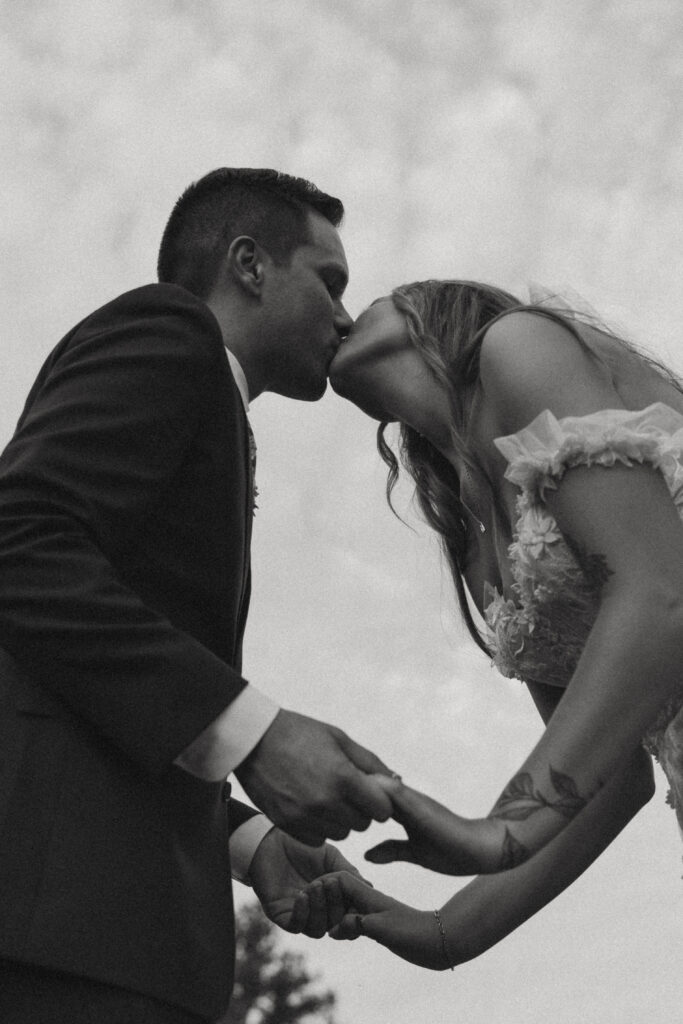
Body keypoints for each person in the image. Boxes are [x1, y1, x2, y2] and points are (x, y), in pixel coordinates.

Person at [0, 167, 395, 1022]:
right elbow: (18, 543)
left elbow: (100, 684)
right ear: (249, 264)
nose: (342, 314)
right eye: (328, 280)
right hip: (55, 935)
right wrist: (257, 732)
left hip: (106, 934)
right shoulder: (169, 330)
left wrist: (252, 843)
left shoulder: (209, 401)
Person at [303, 279, 683, 969]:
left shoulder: (517, 346)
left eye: (354, 297)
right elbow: (610, 776)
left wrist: (495, 831)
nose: (336, 313)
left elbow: (659, 593)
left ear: (428, 304)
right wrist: (445, 932)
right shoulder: (474, 543)